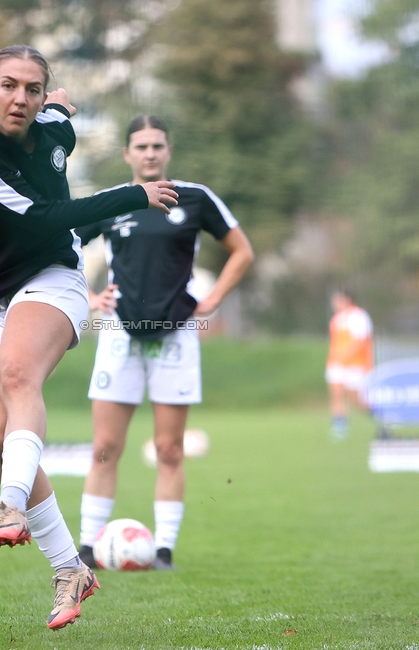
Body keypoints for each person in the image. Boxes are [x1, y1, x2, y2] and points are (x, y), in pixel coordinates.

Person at [0, 46, 179, 630]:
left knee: (19, 374)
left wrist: (60, 106)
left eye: (33, 90)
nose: (20, 98)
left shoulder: (56, 125)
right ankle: (71, 568)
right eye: (8, 86)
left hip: (53, 278)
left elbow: (55, 218)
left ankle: (11, 503)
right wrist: (132, 193)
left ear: (45, 98)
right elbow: (41, 216)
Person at [73, 115, 254, 571]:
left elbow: (242, 250)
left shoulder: (195, 198)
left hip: (176, 334)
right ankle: (88, 548)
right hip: (118, 333)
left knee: (169, 449)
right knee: (104, 447)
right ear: (127, 154)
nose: (150, 153)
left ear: (168, 151)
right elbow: (64, 245)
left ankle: (165, 550)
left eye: (157, 145)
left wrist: (212, 299)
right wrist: (88, 297)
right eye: (141, 146)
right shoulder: (111, 202)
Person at [325, 290, 374, 439]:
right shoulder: (336, 319)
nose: (334, 303)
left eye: (337, 300)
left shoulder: (359, 316)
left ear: (346, 300)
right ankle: (340, 427)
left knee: (356, 399)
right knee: (336, 394)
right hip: (337, 363)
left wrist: (346, 354)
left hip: (356, 365)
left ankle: (381, 417)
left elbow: (361, 341)